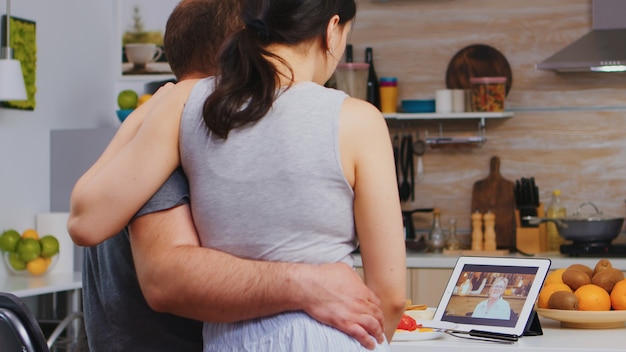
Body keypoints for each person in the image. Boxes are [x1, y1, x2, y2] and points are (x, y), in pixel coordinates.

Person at [69, 0, 406, 350]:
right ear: (332, 30)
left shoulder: (178, 110)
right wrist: (313, 288)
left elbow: (83, 220)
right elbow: (391, 296)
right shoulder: (356, 120)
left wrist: (147, 112)